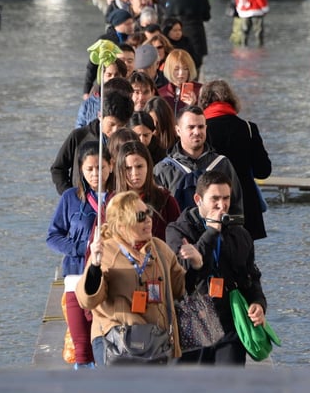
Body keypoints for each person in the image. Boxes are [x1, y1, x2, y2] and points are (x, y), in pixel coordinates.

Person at [165, 170, 269, 366]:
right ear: (198, 199)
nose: (222, 206)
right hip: (193, 320)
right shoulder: (177, 230)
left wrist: (258, 303)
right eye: (215, 199)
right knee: (194, 389)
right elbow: (183, 274)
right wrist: (211, 232)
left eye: (226, 198)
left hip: (229, 321)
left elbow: (251, 277)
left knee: (227, 388)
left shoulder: (240, 234)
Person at [76, 191, 187, 367]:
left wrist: (194, 264)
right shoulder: (106, 252)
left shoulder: (160, 249)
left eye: (148, 212)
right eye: (140, 216)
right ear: (121, 225)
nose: (148, 219)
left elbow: (180, 289)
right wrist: (94, 267)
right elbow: (87, 301)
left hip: (158, 344)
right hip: (117, 345)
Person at [46, 142, 113, 369]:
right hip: (76, 277)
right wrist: (82, 247)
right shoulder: (71, 198)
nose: (96, 174)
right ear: (81, 171)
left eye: (101, 167)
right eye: (90, 169)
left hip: (110, 280)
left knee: (105, 345)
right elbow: (53, 236)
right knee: (81, 347)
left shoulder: (119, 198)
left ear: (111, 166)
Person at [199, 79, 272, 241]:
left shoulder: (202, 132)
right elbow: (263, 171)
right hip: (246, 205)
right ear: (232, 100)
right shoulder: (248, 128)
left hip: (213, 203)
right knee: (245, 258)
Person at [153, 105, 243, 215]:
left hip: (219, 230)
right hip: (178, 231)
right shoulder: (163, 169)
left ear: (206, 128)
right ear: (178, 130)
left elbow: (236, 207)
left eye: (200, 127)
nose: (197, 132)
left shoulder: (222, 164)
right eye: (191, 127)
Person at [51, 91, 134, 194]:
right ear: (100, 115)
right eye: (111, 124)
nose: (115, 131)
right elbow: (58, 168)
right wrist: (68, 194)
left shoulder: (128, 141)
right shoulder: (79, 136)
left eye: (121, 126)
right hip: (82, 200)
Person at [114, 141, 180, 241]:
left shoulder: (166, 200)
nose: (134, 173)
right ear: (120, 170)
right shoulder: (111, 203)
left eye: (139, 166)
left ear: (148, 167)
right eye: (128, 168)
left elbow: (177, 240)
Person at [164, 0, 211, 72]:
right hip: (198, 33)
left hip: (180, 32)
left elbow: (168, 15)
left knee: (180, 64)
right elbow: (207, 16)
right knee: (196, 65)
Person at [82, 9, 135, 98]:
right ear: (117, 25)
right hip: (107, 81)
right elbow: (92, 67)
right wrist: (86, 90)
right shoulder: (104, 41)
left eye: (132, 23)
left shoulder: (133, 39)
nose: (131, 26)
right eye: (127, 24)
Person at [157, 49, 202, 115]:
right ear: (170, 70)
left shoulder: (201, 90)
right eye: (176, 69)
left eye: (185, 68)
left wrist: (193, 106)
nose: (181, 73)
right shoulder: (161, 93)